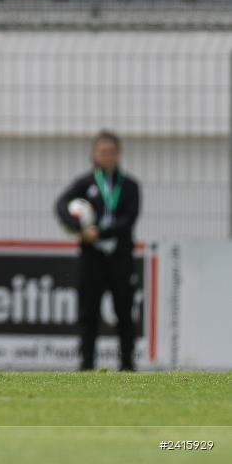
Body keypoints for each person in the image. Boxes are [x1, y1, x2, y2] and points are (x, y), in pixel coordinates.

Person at [55, 130, 141, 372]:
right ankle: (86, 364)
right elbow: (61, 206)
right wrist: (78, 229)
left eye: (112, 151)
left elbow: (129, 220)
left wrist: (101, 233)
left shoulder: (130, 186)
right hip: (91, 258)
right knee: (88, 312)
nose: (108, 155)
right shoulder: (85, 184)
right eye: (103, 151)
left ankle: (127, 365)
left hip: (120, 259)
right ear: (94, 154)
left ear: (119, 154)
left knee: (124, 312)